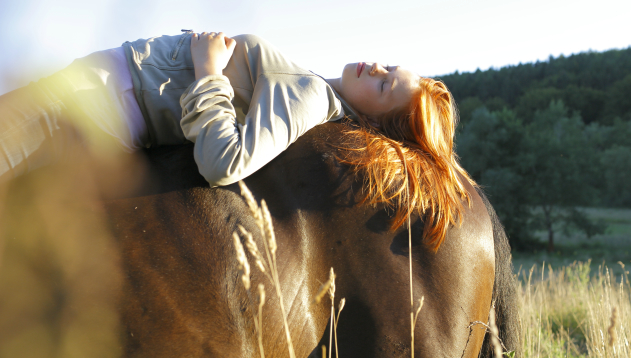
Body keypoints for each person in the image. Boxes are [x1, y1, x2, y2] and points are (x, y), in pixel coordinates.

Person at [0, 31, 474, 249]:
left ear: (374, 122)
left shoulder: (308, 96)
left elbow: (223, 162)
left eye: (385, 86)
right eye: (389, 67)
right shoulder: (313, 89)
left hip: (93, 101)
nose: (376, 68)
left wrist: (209, 71)